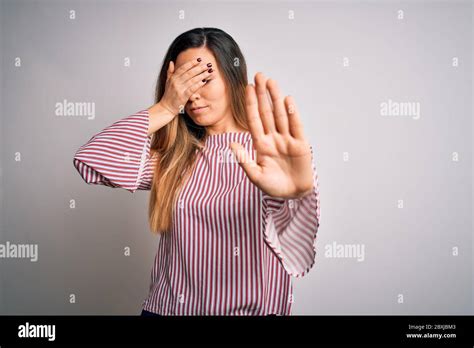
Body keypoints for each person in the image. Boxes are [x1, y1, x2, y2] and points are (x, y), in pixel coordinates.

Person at [73, 27, 321, 316]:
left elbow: (296, 250)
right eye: (183, 82)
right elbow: (90, 159)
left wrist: (298, 196)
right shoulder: (174, 158)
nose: (192, 95)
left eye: (204, 78)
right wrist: (166, 107)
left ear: (232, 77)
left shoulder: (274, 156)